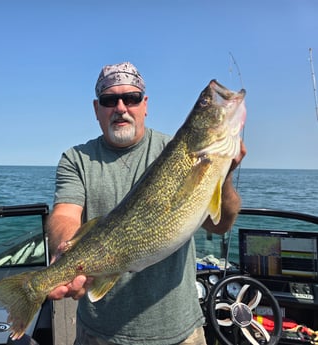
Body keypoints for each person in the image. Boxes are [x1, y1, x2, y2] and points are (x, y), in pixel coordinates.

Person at [46, 62, 246, 345]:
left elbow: (219, 225)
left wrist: (223, 173)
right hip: (99, 334)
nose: (121, 107)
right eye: (109, 100)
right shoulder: (76, 159)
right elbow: (65, 214)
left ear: (145, 104)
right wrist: (66, 250)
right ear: (96, 109)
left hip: (180, 332)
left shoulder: (173, 148)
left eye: (131, 98)